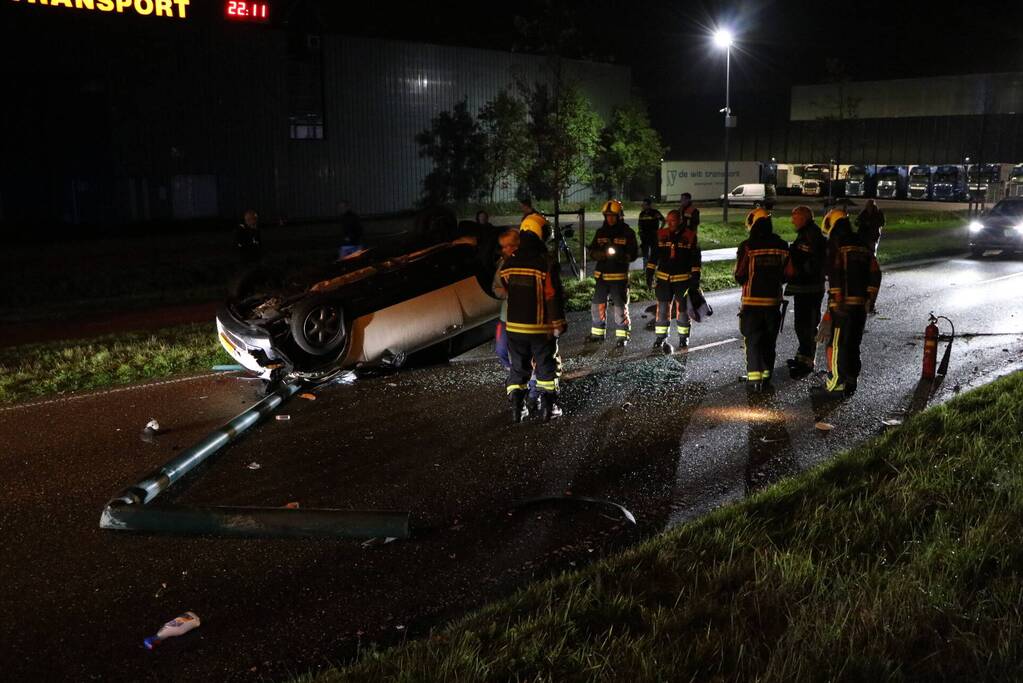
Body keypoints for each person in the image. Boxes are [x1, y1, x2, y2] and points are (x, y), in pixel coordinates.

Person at [500, 213, 567, 422]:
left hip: (514, 328)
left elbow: (505, 284)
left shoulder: (510, 262)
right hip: (540, 327)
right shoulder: (545, 262)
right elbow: (552, 295)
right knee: (546, 366)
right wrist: (557, 322)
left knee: (518, 368)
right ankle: (549, 409)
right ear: (541, 235)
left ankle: (518, 410)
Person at [822, 208, 882, 397]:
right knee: (854, 343)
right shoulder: (862, 244)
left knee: (837, 344)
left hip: (842, 305)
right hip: (859, 306)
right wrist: (870, 299)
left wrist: (837, 299)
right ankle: (851, 380)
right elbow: (875, 273)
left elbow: (835, 272)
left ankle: (835, 384)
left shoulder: (836, 245)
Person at [734, 208, 793, 391]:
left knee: (752, 340)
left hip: (752, 302)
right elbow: (789, 273)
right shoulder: (782, 246)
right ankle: (766, 376)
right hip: (773, 302)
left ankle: (754, 379)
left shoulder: (747, 246)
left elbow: (740, 274)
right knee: (769, 340)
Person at [784, 206, 828, 378]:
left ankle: (808, 361)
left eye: (794, 217)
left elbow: (809, 260)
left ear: (803, 218)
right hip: (805, 288)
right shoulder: (807, 232)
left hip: (809, 288)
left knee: (807, 325)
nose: (792, 220)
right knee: (801, 324)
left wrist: (793, 254)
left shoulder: (810, 235)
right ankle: (802, 356)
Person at [588, 199, 638, 347]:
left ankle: (623, 335)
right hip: (602, 277)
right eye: (607, 215)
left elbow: (633, 254)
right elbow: (592, 251)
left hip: (618, 277)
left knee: (619, 308)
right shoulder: (600, 232)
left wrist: (620, 256)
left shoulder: (627, 233)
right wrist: (599, 255)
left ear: (619, 216)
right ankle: (597, 334)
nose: (610, 218)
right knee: (597, 306)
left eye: (613, 215)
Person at [650, 209, 701, 350]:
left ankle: (683, 338)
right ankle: (660, 338)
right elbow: (654, 255)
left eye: (673, 220)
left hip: (682, 279)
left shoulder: (690, 236)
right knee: (662, 310)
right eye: (668, 220)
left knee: (683, 310)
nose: (670, 223)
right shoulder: (661, 234)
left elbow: (695, 258)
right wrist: (649, 272)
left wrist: (695, 277)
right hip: (663, 279)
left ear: (680, 221)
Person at [492, 228, 521, 372]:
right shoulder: (502, 264)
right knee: (501, 348)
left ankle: (524, 378)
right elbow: (495, 288)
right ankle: (513, 372)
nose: (504, 249)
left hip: (522, 317)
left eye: (506, 246)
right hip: (506, 316)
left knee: (521, 350)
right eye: (502, 246)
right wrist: (506, 293)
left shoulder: (526, 263)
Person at [637, 197, 665, 272]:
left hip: (653, 235)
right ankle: (645, 269)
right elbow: (639, 224)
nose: (643, 206)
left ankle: (656, 268)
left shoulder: (655, 213)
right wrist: (640, 232)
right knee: (645, 253)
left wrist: (660, 229)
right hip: (644, 236)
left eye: (645, 204)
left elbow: (663, 220)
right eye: (642, 204)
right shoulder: (642, 214)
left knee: (655, 252)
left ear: (649, 205)